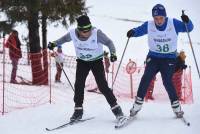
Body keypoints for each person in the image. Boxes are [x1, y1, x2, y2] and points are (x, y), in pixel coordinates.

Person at [48, 15, 125, 122]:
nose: (87, 33)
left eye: (89, 30)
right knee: (79, 84)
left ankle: (117, 110)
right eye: (84, 31)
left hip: (96, 61)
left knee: (102, 86)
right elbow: (64, 39)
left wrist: (113, 53)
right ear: (79, 30)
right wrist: (54, 43)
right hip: (82, 62)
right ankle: (78, 110)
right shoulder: (73, 33)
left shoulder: (97, 33)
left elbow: (109, 42)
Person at [126, 4, 193, 118]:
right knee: (146, 77)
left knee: (167, 80)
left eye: (161, 18)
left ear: (165, 16)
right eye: (156, 18)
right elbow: (139, 30)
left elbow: (189, 28)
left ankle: (176, 107)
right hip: (154, 57)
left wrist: (187, 21)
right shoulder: (149, 25)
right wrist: (133, 31)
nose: (158, 21)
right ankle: (137, 105)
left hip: (169, 58)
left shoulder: (173, 23)